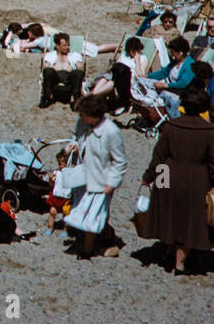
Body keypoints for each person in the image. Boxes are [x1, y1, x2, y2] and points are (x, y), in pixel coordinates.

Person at [138, 90, 214, 273]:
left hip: (168, 175)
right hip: (197, 180)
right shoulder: (209, 131)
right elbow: (213, 163)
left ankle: (168, 248)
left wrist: (148, 178)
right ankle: (180, 261)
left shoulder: (171, 126)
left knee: (168, 211)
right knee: (190, 220)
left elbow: (159, 157)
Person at [66, 95, 127, 259]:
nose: (81, 118)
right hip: (82, 175)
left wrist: (112, 184)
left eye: (83, 115)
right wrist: (73, 146)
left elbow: (120, 162)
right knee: (86, 210)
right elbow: (75, 138)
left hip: (101, 179)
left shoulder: (111, 131)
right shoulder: (82, 123)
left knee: (93, 214)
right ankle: (107, 236)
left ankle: (86, 250)